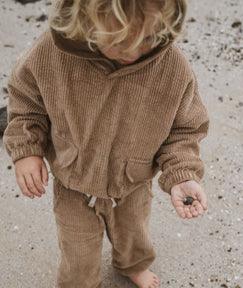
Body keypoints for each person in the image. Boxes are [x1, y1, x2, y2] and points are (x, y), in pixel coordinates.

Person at [3, 0, 209, 287]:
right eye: (119, 40)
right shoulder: (51, 52)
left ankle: (132, 265)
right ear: (84, 19)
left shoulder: (172, 68)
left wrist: (182, 174)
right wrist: (27, 150)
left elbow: (184, 130)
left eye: (148, 37)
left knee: (133, 234)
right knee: (78, 250)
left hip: (133, 182)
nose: (134, 51)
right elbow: (26, 102)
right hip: (73, 181)